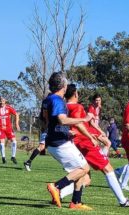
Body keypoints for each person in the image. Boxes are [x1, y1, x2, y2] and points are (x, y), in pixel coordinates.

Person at [64, 84, 129, 207]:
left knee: (85, 179)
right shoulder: (77, 107)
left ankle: (59, 192)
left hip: (77, 142)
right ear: (75, 94)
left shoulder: (65, 107)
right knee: (107, 168)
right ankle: (123, 201)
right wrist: (90, 135)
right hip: (84, 143)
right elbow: (79, 124)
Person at [44, 72, 93, 210]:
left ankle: (75, 203)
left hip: (54, 141)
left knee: (79, 169)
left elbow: (47, 122)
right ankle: (57, 187)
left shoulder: (48, 99)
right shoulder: (58, 100)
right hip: (60, 143)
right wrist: (83, 119)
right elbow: (62, 119)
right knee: (84, 168)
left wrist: (66, 131)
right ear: (63, 86)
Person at [0, 96, 20, 164]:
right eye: (0, 101)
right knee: (1, 144)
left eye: (2, 101)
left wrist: (16, 123)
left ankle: (13, 157)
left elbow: (16, 114)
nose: (1, 102)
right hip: (0, 129)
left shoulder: (9, 108)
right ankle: (3, 157)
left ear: (5, 101)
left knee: (14, 142)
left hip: (9, 128)